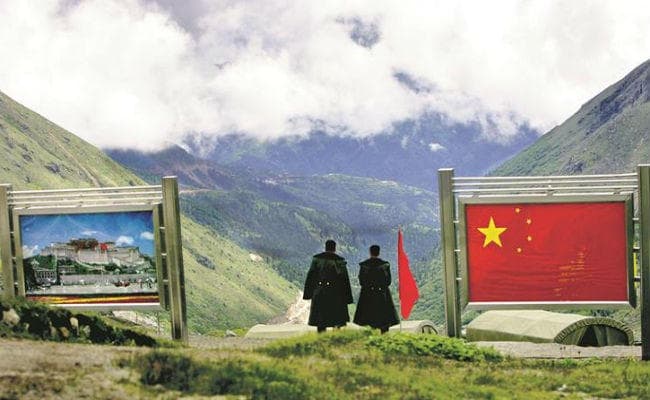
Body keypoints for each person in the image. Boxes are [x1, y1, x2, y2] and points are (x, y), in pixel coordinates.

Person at [303, 240, 353, 333]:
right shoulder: (339, 261)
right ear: (334, 248)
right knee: (337, 320)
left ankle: (322, 339)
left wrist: (308, 294)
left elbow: (311, 277)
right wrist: (348, 298)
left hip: (320, 292)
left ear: (325, 247)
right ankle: (335, 339)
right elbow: (345, 280)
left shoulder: (317, 259)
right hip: (337, 294)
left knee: (321, 321)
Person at [353, 245, 399, 333]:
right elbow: (388, 281)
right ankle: (384, 336)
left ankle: (371, 337)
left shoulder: (364, 265)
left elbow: (361, 282)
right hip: (382, 295)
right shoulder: (385, 265)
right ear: (379, 252)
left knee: (368, 319)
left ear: (370, 252)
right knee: (384, 320)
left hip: (368, 295)